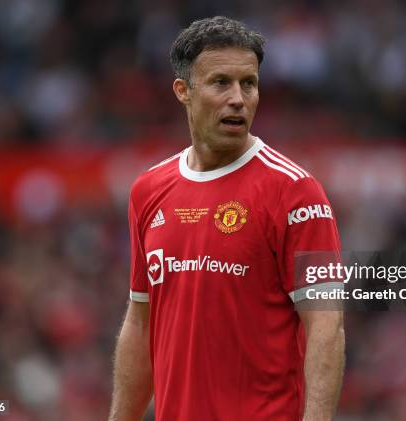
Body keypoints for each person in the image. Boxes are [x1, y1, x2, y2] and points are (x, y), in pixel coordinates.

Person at [109, 16, 345, 421]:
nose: (239, 98)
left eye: (248, 84)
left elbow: (326, 327)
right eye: (221, 83)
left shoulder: (296, 191)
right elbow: (141, 325)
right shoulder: (148, 191)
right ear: (183, 91)